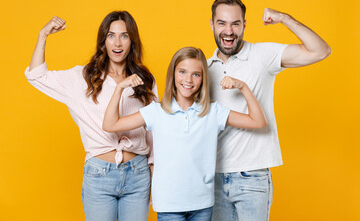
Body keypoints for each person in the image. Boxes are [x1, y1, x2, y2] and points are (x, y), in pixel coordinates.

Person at [102, 47, 268, 221]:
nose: (188, 80)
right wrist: (120, 88)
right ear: (173, 74)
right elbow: (110, 124)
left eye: (196, 74)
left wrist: (243, 87)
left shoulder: (213, 112)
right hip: (169, 204)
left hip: (202, 204)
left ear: (203, 78)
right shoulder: (156, 111)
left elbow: (258, 121)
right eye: (182, 72)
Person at [207, 0, 332, 221]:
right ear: (211, 25)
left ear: (244, 25)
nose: (229, 31)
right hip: (214, 177)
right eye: (222, 23)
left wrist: (284, 18)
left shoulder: (262, 55)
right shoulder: (203, 70)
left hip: (252, 176)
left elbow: (321, 50)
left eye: (235, 23)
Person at [25, 11, 158, 221]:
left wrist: (152, 167)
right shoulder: (82, 77)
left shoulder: (144, 80)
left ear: (132, 41)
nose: (117, 42)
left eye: (124, 36)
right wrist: (43, 35)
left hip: (137, 174)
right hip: (99, 175)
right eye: (111, 35)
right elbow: (36, 75)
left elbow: (152, 129)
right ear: (103, 40)